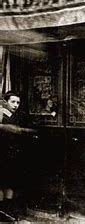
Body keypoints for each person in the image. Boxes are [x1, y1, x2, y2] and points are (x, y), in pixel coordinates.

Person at [0, 91, 35, 220]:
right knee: (2, 183)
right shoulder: (1, 113)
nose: (15, 105)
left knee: (11, 182)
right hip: (2, 153)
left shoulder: (18, 116)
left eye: (18, 102)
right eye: (12, 102)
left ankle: (7, 210)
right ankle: (2, 210)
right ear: (6, 101)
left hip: (13, 154)